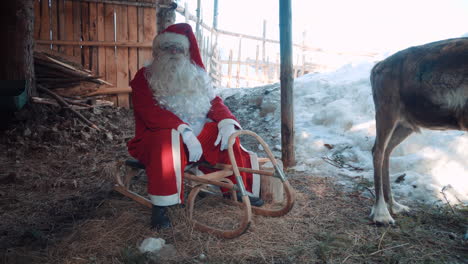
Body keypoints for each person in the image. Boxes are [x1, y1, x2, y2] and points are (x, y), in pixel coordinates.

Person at [127, 23, 263, 229]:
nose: (173, 52)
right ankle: (163, 206)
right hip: (160, 138)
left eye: (178, 48)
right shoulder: (144, 77)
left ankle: (239, 189)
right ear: (157, 52)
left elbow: (214, 102)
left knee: (226, 135)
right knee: (167, 139)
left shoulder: (197, 76)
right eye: (167, 47)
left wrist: (226, 121)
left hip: (198, 139)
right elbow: (148, 112)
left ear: (186, 51)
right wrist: (184, 131)